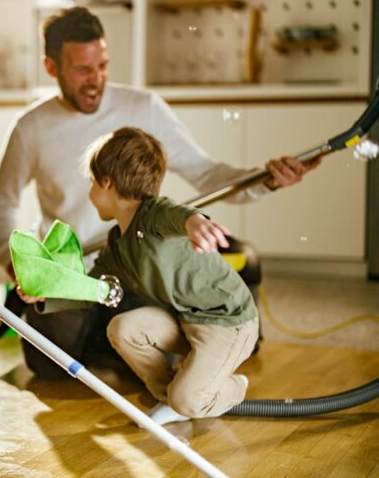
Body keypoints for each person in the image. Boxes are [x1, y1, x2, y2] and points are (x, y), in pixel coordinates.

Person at [0, 7, 318, 378]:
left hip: (136, 262)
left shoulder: (143, 107)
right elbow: (3, 203)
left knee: (151, 346)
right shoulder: (30, 128)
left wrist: (267, 179)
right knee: (45, 365)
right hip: (75, 270)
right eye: (82, 70)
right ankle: (103, 339)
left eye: (102, 66)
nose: (96, 80)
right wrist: (16, 264)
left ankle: (117, 340)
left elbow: (206, 173)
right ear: (51, 67)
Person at [18, 127, 259, 425]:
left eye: (92, 182)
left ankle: (228, 389)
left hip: (228, 322)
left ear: (106, 182)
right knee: (122, 328)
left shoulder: (154, 214)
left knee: (189, 399)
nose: (91, 192)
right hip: (185, 320)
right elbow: (91, 291)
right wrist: (45, 296)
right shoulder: (118, 244)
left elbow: (175, 214)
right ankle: (170, 397)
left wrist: (195, 222)